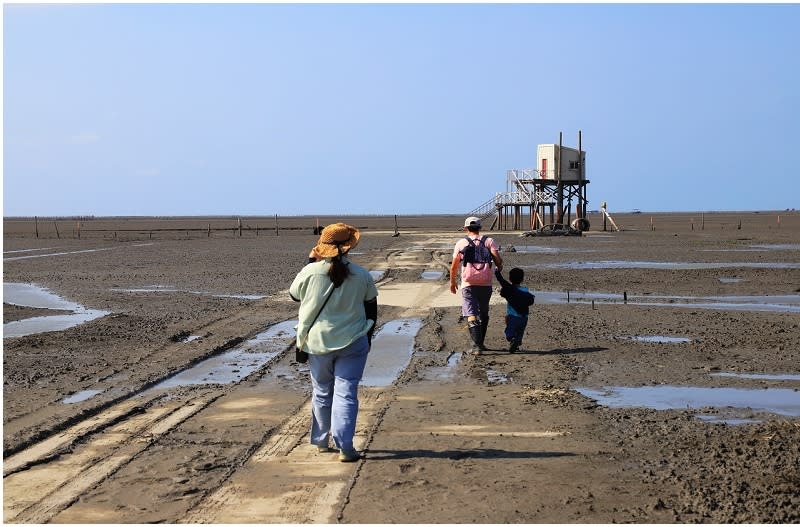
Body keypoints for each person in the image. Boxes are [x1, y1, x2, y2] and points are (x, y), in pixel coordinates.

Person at [289, 223, 378, 462]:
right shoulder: (362, 275)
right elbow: (372, 310)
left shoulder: (310, 272)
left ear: (322, 248)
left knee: (321, 392)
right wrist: (367, 338)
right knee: (346, 392)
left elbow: (294, 294)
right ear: (349, 248)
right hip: (353, 341)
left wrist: (310, 262)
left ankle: (320, 441)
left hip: (317, 342)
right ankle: (345, 446)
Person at [449, 216, 503, 355]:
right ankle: (481, 342)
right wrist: (498, 266)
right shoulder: (489, 241)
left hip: (468, 284)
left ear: (466, 228)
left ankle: (477, 345)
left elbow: (454, 266)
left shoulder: (461, 243)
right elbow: (498, 261)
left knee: (471, 313)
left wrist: (453, 281)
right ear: (480, 227)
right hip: (486, 283)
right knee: (484, 313)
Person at [494, 267, 535, 353]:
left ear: (510, 278)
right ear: (522, 279)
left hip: (513, 316)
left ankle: (512, 340)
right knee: (520, 332)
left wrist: (497, 271)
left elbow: (501, 281)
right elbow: (530, 301)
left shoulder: (510, 289)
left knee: (510, 330)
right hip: (524, 317)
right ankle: (517, 343)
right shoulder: (525, 290)